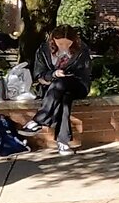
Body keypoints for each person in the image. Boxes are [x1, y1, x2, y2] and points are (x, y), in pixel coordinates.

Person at [22, 25, 93, 155]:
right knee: (65, 98)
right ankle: (63, 142)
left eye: (68, 44)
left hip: (77, 85)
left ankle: (39, 120)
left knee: (61, 83)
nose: (64, 47)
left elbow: (85, 73)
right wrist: (53, 75)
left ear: (74, 41)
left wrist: (65, 76)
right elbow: (39, 75)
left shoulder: (82, 50)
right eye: (60, 43)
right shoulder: (43, 50)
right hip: (52, 88)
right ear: (53, 40)